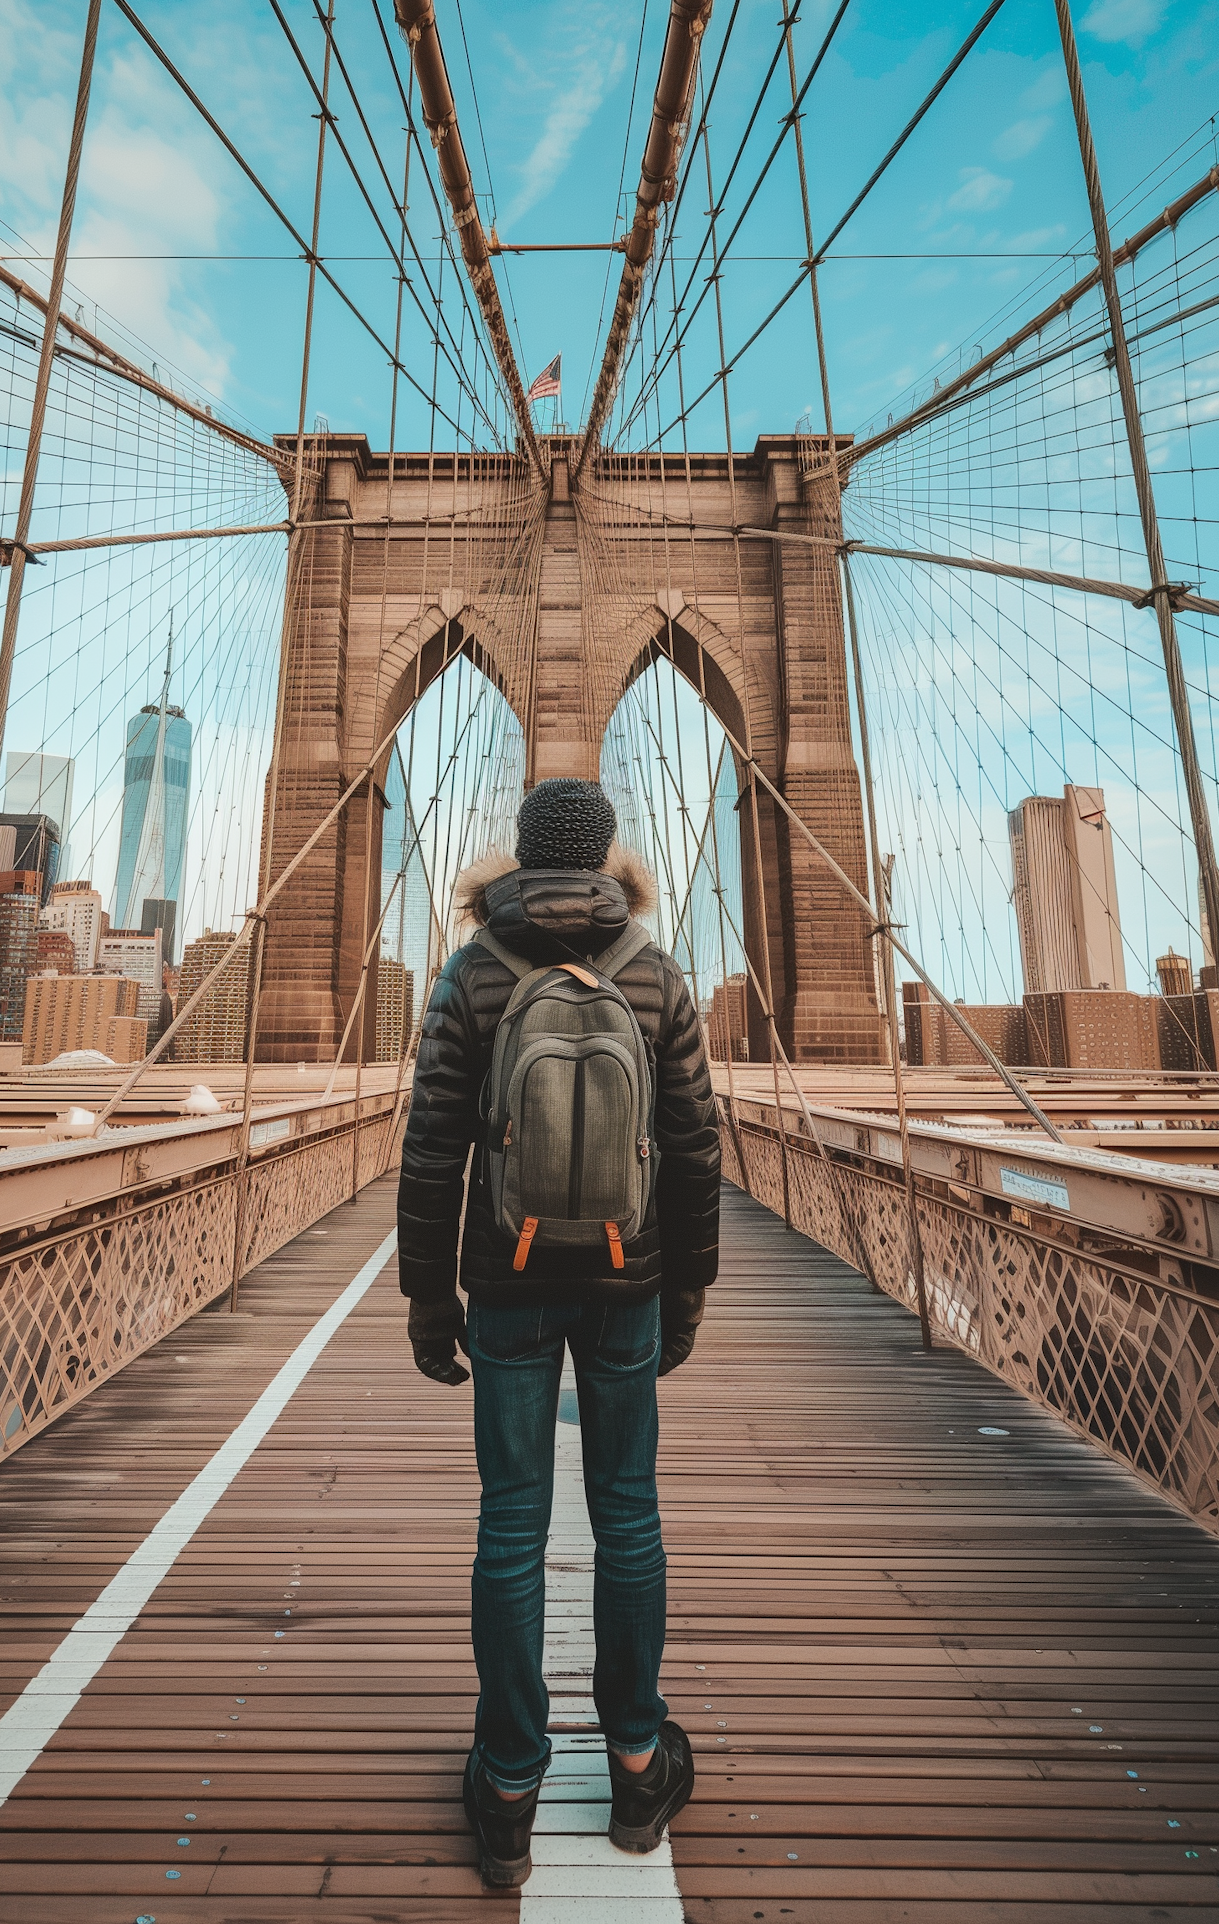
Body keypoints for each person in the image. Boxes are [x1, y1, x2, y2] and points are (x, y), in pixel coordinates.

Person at [396, 776, 722, 1888]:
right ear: (608, 858)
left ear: (520, 856)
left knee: (510, 1524)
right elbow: (696, 1150)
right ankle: (637, 1763)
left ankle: (508, 1781)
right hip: (631, 1279)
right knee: (629, 1515)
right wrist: (687, 1295)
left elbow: (433, 1150)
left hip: (509, 1278)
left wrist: (429, 1299)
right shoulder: (655, 970)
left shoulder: (474, 970)